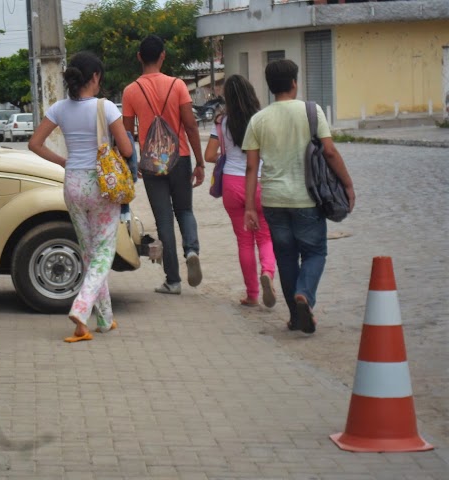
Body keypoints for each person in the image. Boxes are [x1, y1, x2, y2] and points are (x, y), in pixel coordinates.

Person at [242, 59, 355, 334]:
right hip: (307, 199)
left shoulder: (258, 119)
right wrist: (348, 185)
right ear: (294, 83)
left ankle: (295, 317)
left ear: (270, 87)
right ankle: (304, 295)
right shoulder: (312, 112)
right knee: (315, 252)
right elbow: (329, 152)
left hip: (273, 201)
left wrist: (249, 208)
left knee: (286, 258)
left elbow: (250, 167)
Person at [29, 51, 133, 343]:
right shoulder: (106, 107)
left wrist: (63, 161)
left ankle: (104, 318)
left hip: (72, 183)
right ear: (95, 77)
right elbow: (125, 149)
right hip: (102, 185)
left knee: (89, 252)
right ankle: (81, 307)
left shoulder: (60, 108)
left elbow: (34, 144)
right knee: (104, 252)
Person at [122, 34, 205, 295]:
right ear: (163, 56)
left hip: (151, 162)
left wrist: (132, 163)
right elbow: (191, 125)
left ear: (138, 58)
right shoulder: (178, 85)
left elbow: (126, 133)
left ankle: (173, 280)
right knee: (185, 211)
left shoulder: (131, 90)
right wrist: (200, 161)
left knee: (164, 220)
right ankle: (191, 250)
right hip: (179, 157)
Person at [204, 74, 276, 308]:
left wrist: (226, 157)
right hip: (259, 182)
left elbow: (210, 155)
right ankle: (268, 272)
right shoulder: (261, 119)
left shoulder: (222, 122)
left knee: (244, 241)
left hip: (232, 184)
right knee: (265, 235)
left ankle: (252, 294)